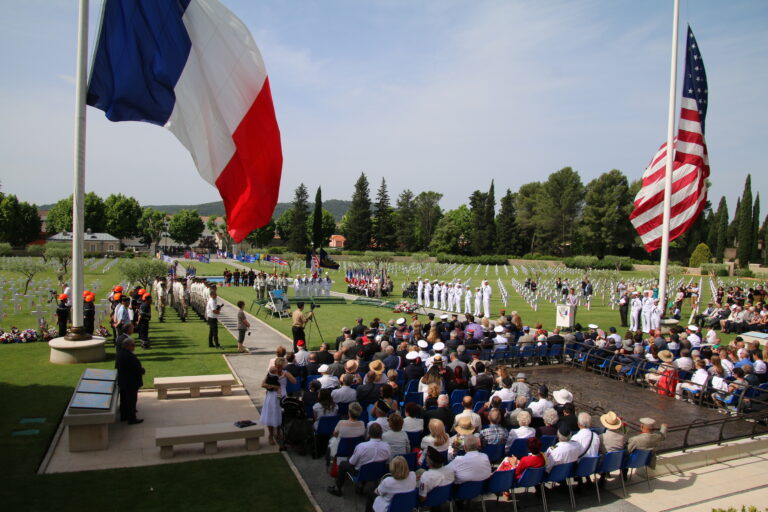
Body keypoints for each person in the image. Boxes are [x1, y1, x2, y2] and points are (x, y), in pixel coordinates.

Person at [328, 423, 391, 497]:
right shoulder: (387, 446)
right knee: (366, 464)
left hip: (360, 473)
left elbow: (352, 463)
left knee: (343, 464)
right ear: (381, 434)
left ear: (369, 434)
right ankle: (361, 486)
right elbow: (387, 461)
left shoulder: (361, 447)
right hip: (377, 472)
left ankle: (338, 489)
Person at [260, 357, 297, 445]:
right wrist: (273, 387)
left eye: (282, 367)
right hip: (272, 395)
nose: (280, 368)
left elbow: (294, 381)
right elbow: (263, 384)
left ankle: (279, 431)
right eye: (279, 366)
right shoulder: (271, 373)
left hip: (282, 395)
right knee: (271, 414)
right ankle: (270, 435)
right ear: (276, 365)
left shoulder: (285, 372)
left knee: (280, 414)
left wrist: (287, 375)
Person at [116, 337, 145, 424]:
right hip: (130, 382)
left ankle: (124, 416)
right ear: (127, 346)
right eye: (133, 345)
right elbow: (135, 369)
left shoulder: (120, 354)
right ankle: (132, 418)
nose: (134, 347)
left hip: (123, 381)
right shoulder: (129, 356)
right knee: (131, 400)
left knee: (124, 400)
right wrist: (142, 370)